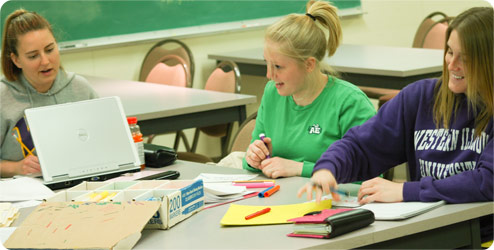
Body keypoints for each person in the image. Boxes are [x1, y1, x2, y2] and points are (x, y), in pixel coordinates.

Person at [298, 7, 493, 244]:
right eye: (450, 52)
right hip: (428, 228)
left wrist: (405, 191)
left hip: (480, 235)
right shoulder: (421, 97)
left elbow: (487, 181)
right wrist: (327, 170)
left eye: (467, 58)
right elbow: (361, 146)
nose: (452, 65)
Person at [243, 0, 376, 178]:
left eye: (278, 67)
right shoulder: (272, 92)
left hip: (332, 201)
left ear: (309, 65)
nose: (269, 75)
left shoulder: (350, 102)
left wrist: (300, 168)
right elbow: (250, 162)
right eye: (266, 63)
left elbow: (370, 173)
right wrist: (253, 158)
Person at [0, 9, 98, 178]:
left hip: (79, 184)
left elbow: (105, 142)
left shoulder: (80, 88)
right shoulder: (3, 97)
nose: (45, 61)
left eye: (50, 49)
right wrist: (16, 168)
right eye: (33, 56)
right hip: (22, 193)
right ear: (16, 60)